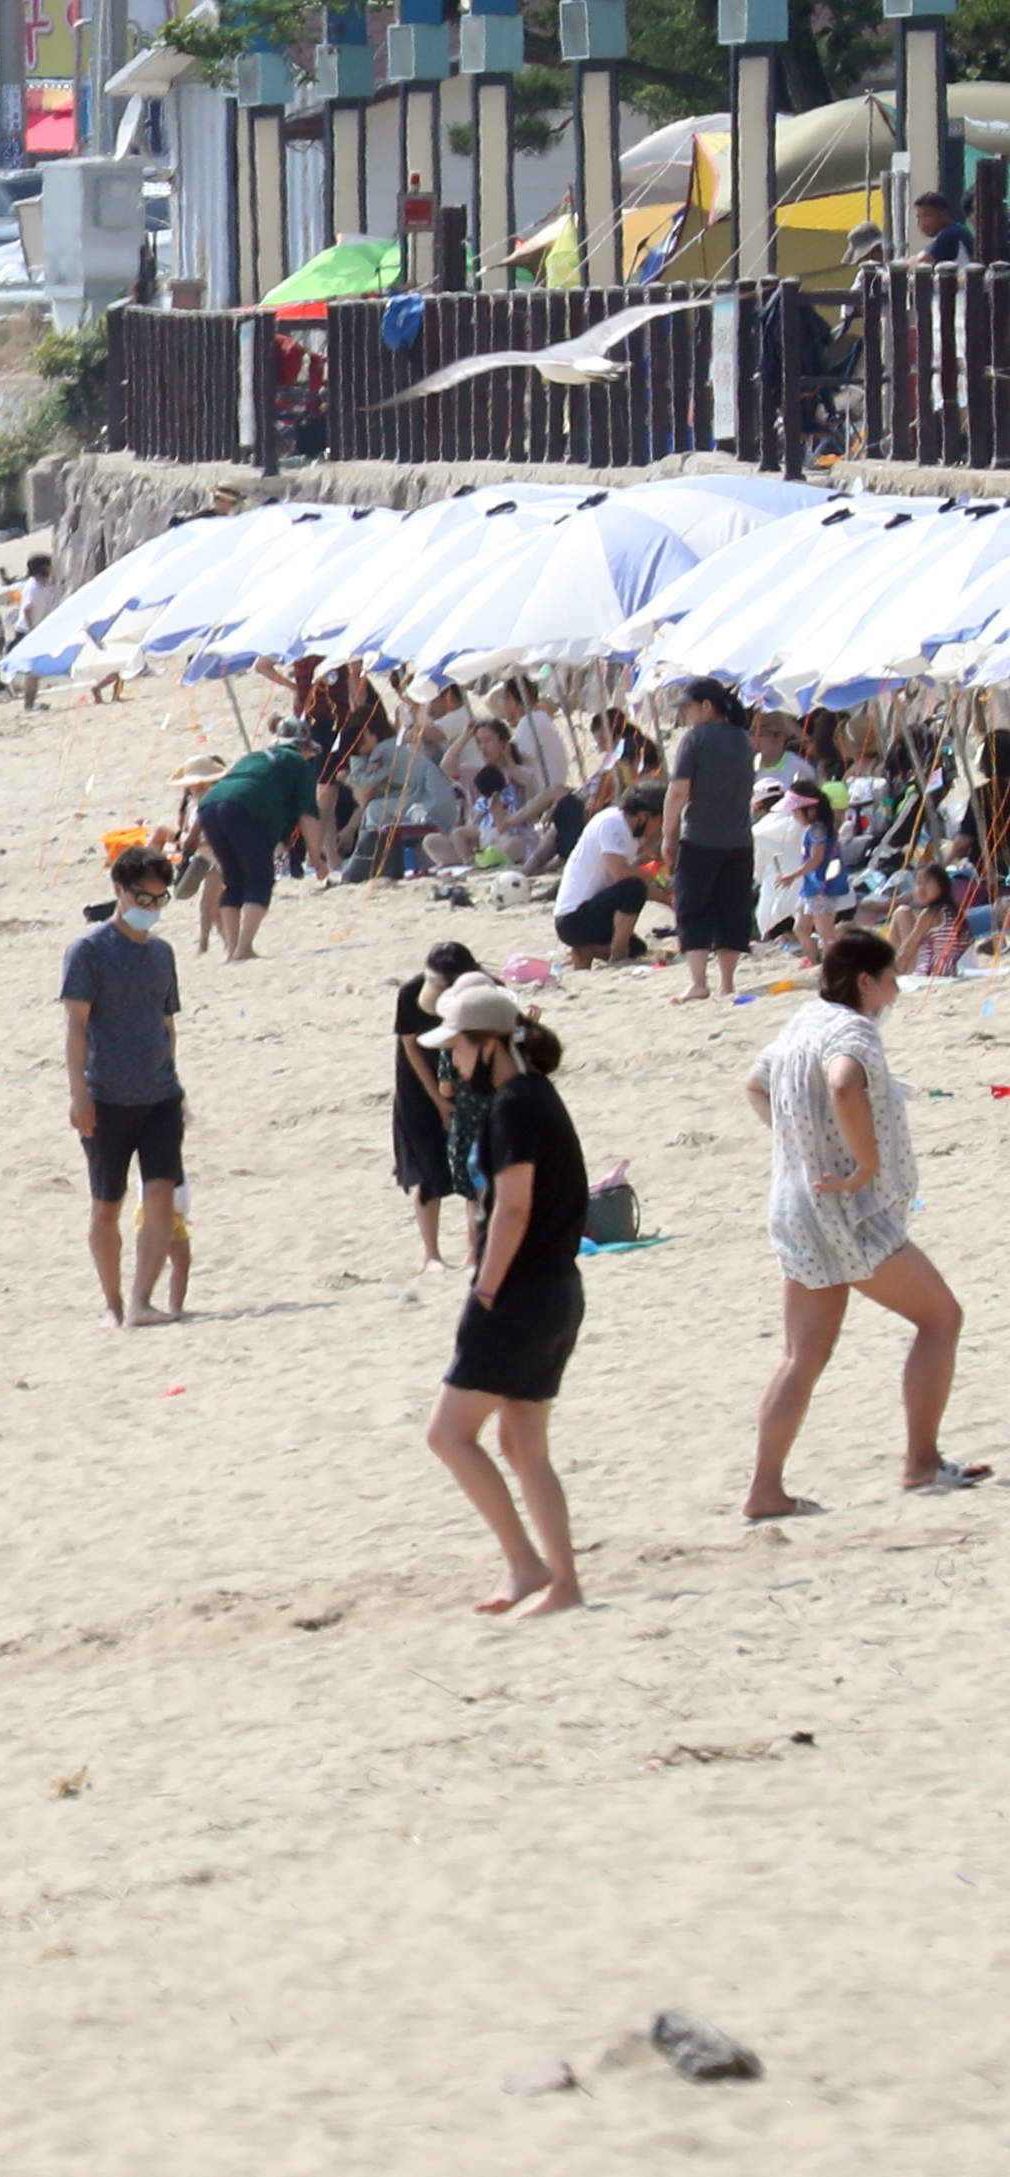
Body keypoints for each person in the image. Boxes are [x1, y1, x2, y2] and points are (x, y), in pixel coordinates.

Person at [746, 931, 977, 1516]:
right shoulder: (851, 1032)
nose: (897, 991)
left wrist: (797, 1146)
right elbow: (844, 1083)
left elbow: (755, 1083)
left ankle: (764, 1491)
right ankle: (921, 1463)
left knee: (802, 1355)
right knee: (941, 1318)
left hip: (799, 1205)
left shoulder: (804, 1018)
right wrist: (865, 1163)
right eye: (891, 979)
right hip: (850, 1214)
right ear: (866, 982)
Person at [414, 983, 589, 1617]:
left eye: (457, 1048)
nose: (452, 1061)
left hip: (520, 1292)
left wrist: (484, 1289)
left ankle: (527, 1562)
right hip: (557, 1289)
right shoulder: (534, 1094)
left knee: (448, 1434)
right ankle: (555, 1579)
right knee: (521, 1445)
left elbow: (512, 1208)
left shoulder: (514, 1105)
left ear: (487, 1045)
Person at [67, 845, 191, 1330]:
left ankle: (141, 1301)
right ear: (119, 890)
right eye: (144, 897)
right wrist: (79, 1093)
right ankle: (112, 1303)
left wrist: (176, 1087)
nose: (151, 908)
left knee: (160, 1196)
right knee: (106, 1206)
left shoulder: (162, 953)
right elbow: (76, 1025)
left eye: (161, 900)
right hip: (106, 1095)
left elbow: (167, 1024)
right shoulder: (89, 950)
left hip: (160, 1094)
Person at [656, 679, 763, 1000]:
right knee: (733, 910)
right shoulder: (744, 740)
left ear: (707, 706)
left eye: (689, 707)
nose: (686, 714)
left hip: (701, 838)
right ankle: (727, 983)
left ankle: (698, 982)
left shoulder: (696, 740)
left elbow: (677, 791)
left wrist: (667, 833)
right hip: (739, 839)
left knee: (694, 908)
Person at [196, 727, 328, 961]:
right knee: (260, 878)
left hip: (208, 808)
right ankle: (244, 948)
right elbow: (308, 815)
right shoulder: (299, 764)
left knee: (234, 880)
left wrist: (190, 839)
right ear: (304, 749)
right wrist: (316, 857)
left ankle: (231, 949)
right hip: (244, 810)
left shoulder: (253, 758)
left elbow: (223, 792)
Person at [392, 943, 482, 1269]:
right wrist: (438, 1100)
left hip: (472, 1086)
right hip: (419, 1085)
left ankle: (475, 1252)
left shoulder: (482, 991)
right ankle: (431, 1254)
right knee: (430, 1169)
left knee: (476, 1172)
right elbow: (410, 1047)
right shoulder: (410, 993)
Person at [553, 781, 661, 961]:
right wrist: (652, 875)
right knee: (634, 888)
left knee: (639, 950)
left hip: (590, 912)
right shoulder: (612, 823)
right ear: (644, 816)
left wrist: (670, 900)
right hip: (573, 917)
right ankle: (618, 954)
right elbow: (621, 873)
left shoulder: (629, 833)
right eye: (660, 820)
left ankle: (587, 950)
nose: (659, 827)